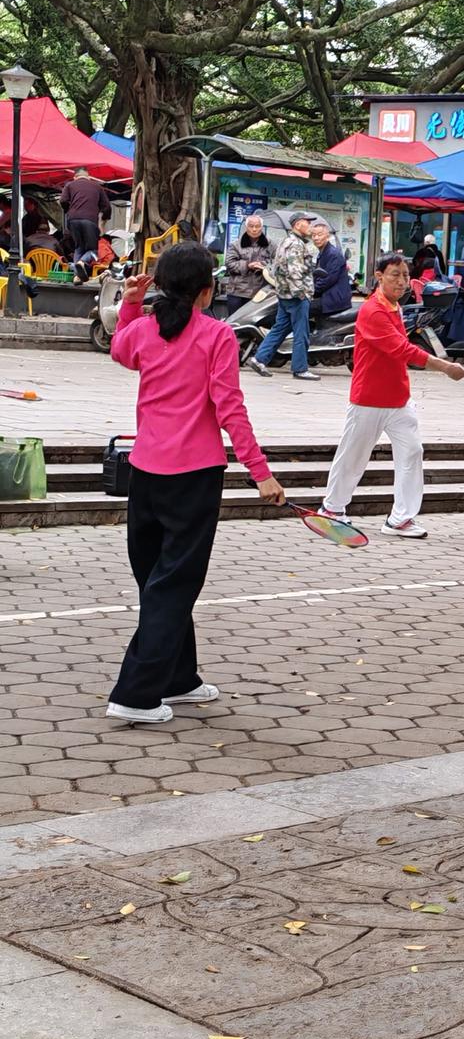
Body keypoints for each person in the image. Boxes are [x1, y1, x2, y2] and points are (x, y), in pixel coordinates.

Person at [106, 242, 285, 725]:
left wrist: (128, 303)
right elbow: (230, 409)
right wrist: (260, 472)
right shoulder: (217, 336)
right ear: (206, 292)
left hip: (145, 474)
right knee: (173, 583)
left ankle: (179, 678)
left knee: (159, 580)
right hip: (194, 478)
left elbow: (119, 350)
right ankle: (137, 695)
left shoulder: (144, 328)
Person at [320, 254, 464, 537]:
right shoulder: (373, 311)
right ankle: (332, 509)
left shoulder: (394, 307)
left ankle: (400, 519)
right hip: (369, 398)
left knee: (412, 452)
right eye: (394, 275)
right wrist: (445, 367)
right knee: (354, 455)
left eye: (404, 275)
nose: (401, 281)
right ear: (379, 276)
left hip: (399, 398)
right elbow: (404, 350)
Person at [250, 212, 318, 380]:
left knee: (279, 329)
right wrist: (301, 294)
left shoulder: (286, 241)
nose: (309, 226)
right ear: (297, 225)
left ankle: (259, 359)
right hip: (295, 296)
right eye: (306, 222)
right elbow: (295, 272)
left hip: (284, 294)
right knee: (301, 332)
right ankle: (300, 368)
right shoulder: (295, 244)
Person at [60, 167, 112, 282]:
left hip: (73, 220)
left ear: (75, 177)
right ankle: (81, 262)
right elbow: (107, 206)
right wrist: (104, 219)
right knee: (93, 251)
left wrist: (69, 210)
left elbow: (63, 201)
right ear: (88, 177)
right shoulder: (97, 187)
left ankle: (77, 277)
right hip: (90, 221)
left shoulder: (70, 185)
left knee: (79, 247)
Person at [223, 215, 273, 311]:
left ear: (261, 227)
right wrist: (247, 265)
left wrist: (264, 265)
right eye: (251, 226)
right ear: (246, 227)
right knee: (235, 322)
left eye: (257, 226)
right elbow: (229, 263)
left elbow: (277, 262)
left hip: (261, 292)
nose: (254, 229)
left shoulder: (271, 245)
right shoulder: (236, 245)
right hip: (237, 292)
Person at [309, 220, 353, 322]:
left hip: (334, 298)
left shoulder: (333, 254)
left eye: (319, 235)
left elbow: (328, 279)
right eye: (313, 235)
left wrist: (311, 291)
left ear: (327, 236)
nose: (316, 238)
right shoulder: (322, 253)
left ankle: (302, 337)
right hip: (326, 296)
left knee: (302, 309)